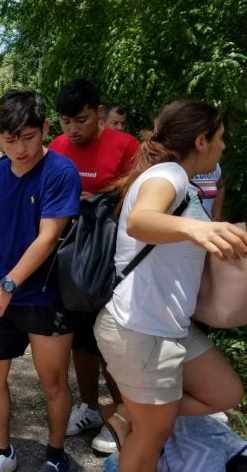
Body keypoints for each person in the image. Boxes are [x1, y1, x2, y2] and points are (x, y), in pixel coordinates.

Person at [94, 100, 247, 471]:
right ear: (200, 141)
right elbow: (142, 221)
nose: (223, 146)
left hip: (169, 328)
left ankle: (131, 411)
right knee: (151, 440)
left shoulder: (187, 184)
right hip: (139, 329)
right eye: (220, 138)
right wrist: (200, 227)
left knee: (226, 392)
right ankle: (140, 417)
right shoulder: (167, 176)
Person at [0, 89, 81, 472]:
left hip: (45, 296)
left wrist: (8, 286)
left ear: (45, 129)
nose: (21, 148)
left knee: (53, 383)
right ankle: (2, 453)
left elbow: (48, 237)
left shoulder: (60, 172)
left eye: (29, 137)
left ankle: (54, 454)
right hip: (0, 291)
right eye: (10, 139)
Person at [49, 79, 139, 454]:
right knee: (81, 342)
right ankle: (88, 407)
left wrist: (98, 197)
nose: (74, 129)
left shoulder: (127, 146)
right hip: (69, 260)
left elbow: (139, 196)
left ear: (99, 112)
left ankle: (124, 415)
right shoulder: (56, 146)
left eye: (82, 119)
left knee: (113, 344)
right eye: (67, 121)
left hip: (112, 263)